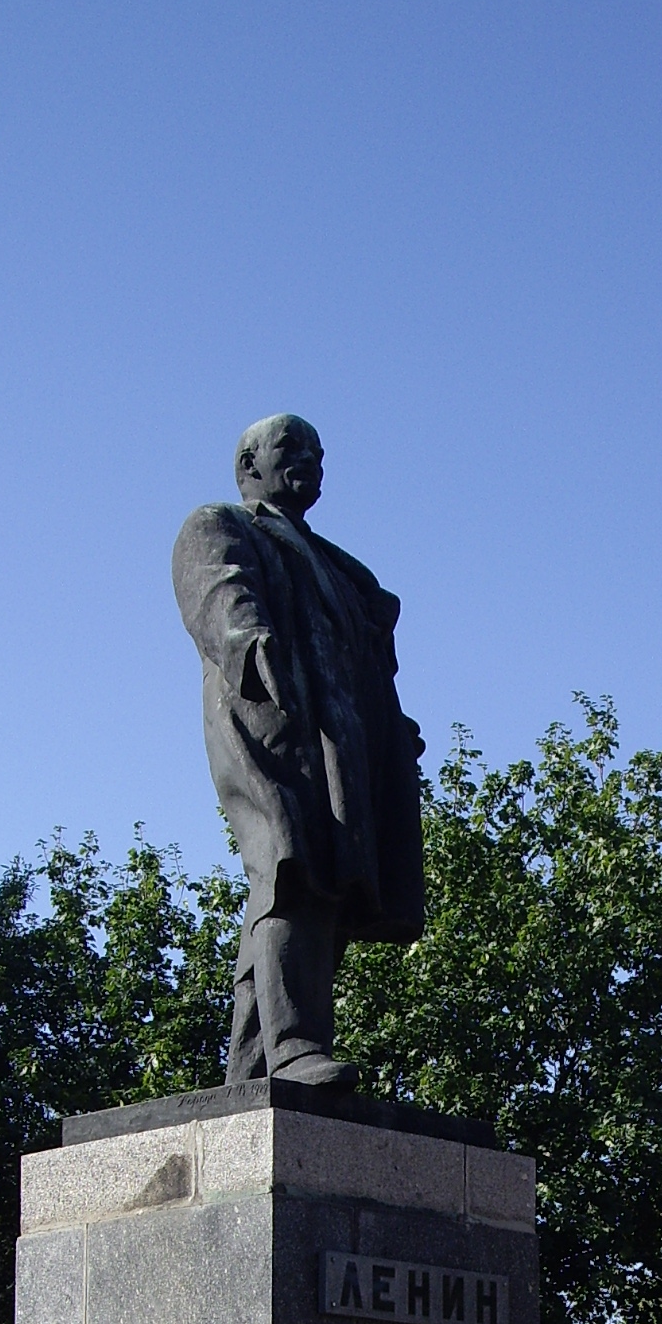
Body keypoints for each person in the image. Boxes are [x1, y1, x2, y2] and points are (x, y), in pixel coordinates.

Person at [172, 415, 425, 1091]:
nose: (309, 461)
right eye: (292, 449)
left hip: (344, 743)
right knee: (292, 868)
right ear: (248, 465)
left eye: (318, 453)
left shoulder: (346, 571)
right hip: (271, 726)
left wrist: (391, 730)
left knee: (334, 886)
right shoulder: (220, 523)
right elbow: (222, 601)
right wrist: (255, 652)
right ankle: (294, 1045)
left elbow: (370, 666)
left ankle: (257, 1065)